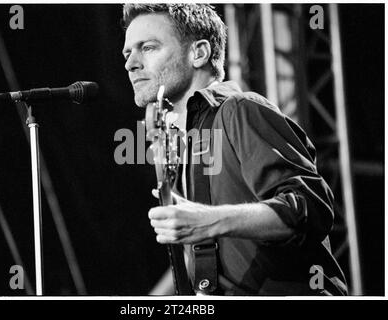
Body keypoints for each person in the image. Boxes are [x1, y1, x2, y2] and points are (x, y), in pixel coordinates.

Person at [121, 4, 348, 295]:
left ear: (199, 53)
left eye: (148, 48)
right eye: (128, 54)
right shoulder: (180, 145)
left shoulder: (240, 110)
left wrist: (208, 221)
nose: (131, 64)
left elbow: (310, 207)